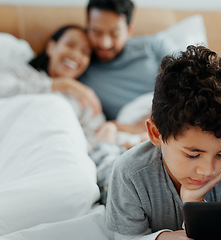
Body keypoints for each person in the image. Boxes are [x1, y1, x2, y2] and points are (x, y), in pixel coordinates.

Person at [105, 45, 221, 240]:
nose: (208, 170)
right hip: (110, 171)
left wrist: (195, 205)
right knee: (105, 157)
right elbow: (126, 238)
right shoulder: (129, 174)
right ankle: (107, 135)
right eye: (193, 154)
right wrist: (161, 238)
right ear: (156, 133)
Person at [0, 25, 129, 205]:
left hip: (61, 159)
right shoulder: (22, 74)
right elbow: (3, 91)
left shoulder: (84, 100)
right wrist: (62, 85)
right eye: (70, 45)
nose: (76, 55)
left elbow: (93, 144)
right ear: (51, 47)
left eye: (85, 52)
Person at [79, 0, 176, 124]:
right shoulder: (80, 68)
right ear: (87, 28)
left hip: (168, 121)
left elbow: (190, 80)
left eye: (114, 34)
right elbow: (48, 81)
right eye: (96, 32)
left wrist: (142, 124)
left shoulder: (154, 46)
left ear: (129, 30)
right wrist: (71, 85)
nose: (104, 43)